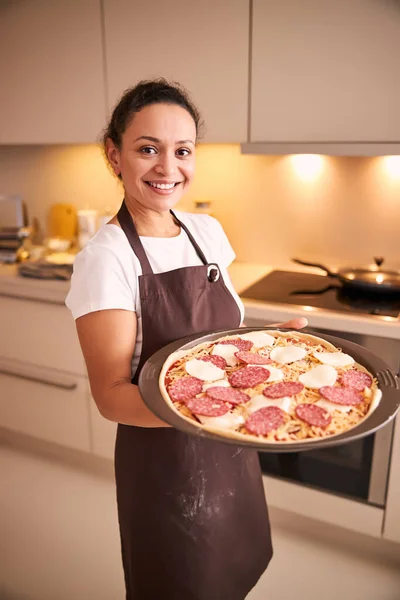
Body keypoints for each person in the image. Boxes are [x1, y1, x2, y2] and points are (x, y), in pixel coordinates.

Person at [66, 79, 307, 600]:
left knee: (232, 574)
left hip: (232, 451)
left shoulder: (207, 231)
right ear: (114, 155)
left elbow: (220, 343)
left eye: (182, 151)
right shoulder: (106, 260)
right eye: (147, 149)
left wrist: (269, 350)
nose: (167, 168)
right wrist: (217, 409)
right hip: (167, 468)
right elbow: (111, 396)